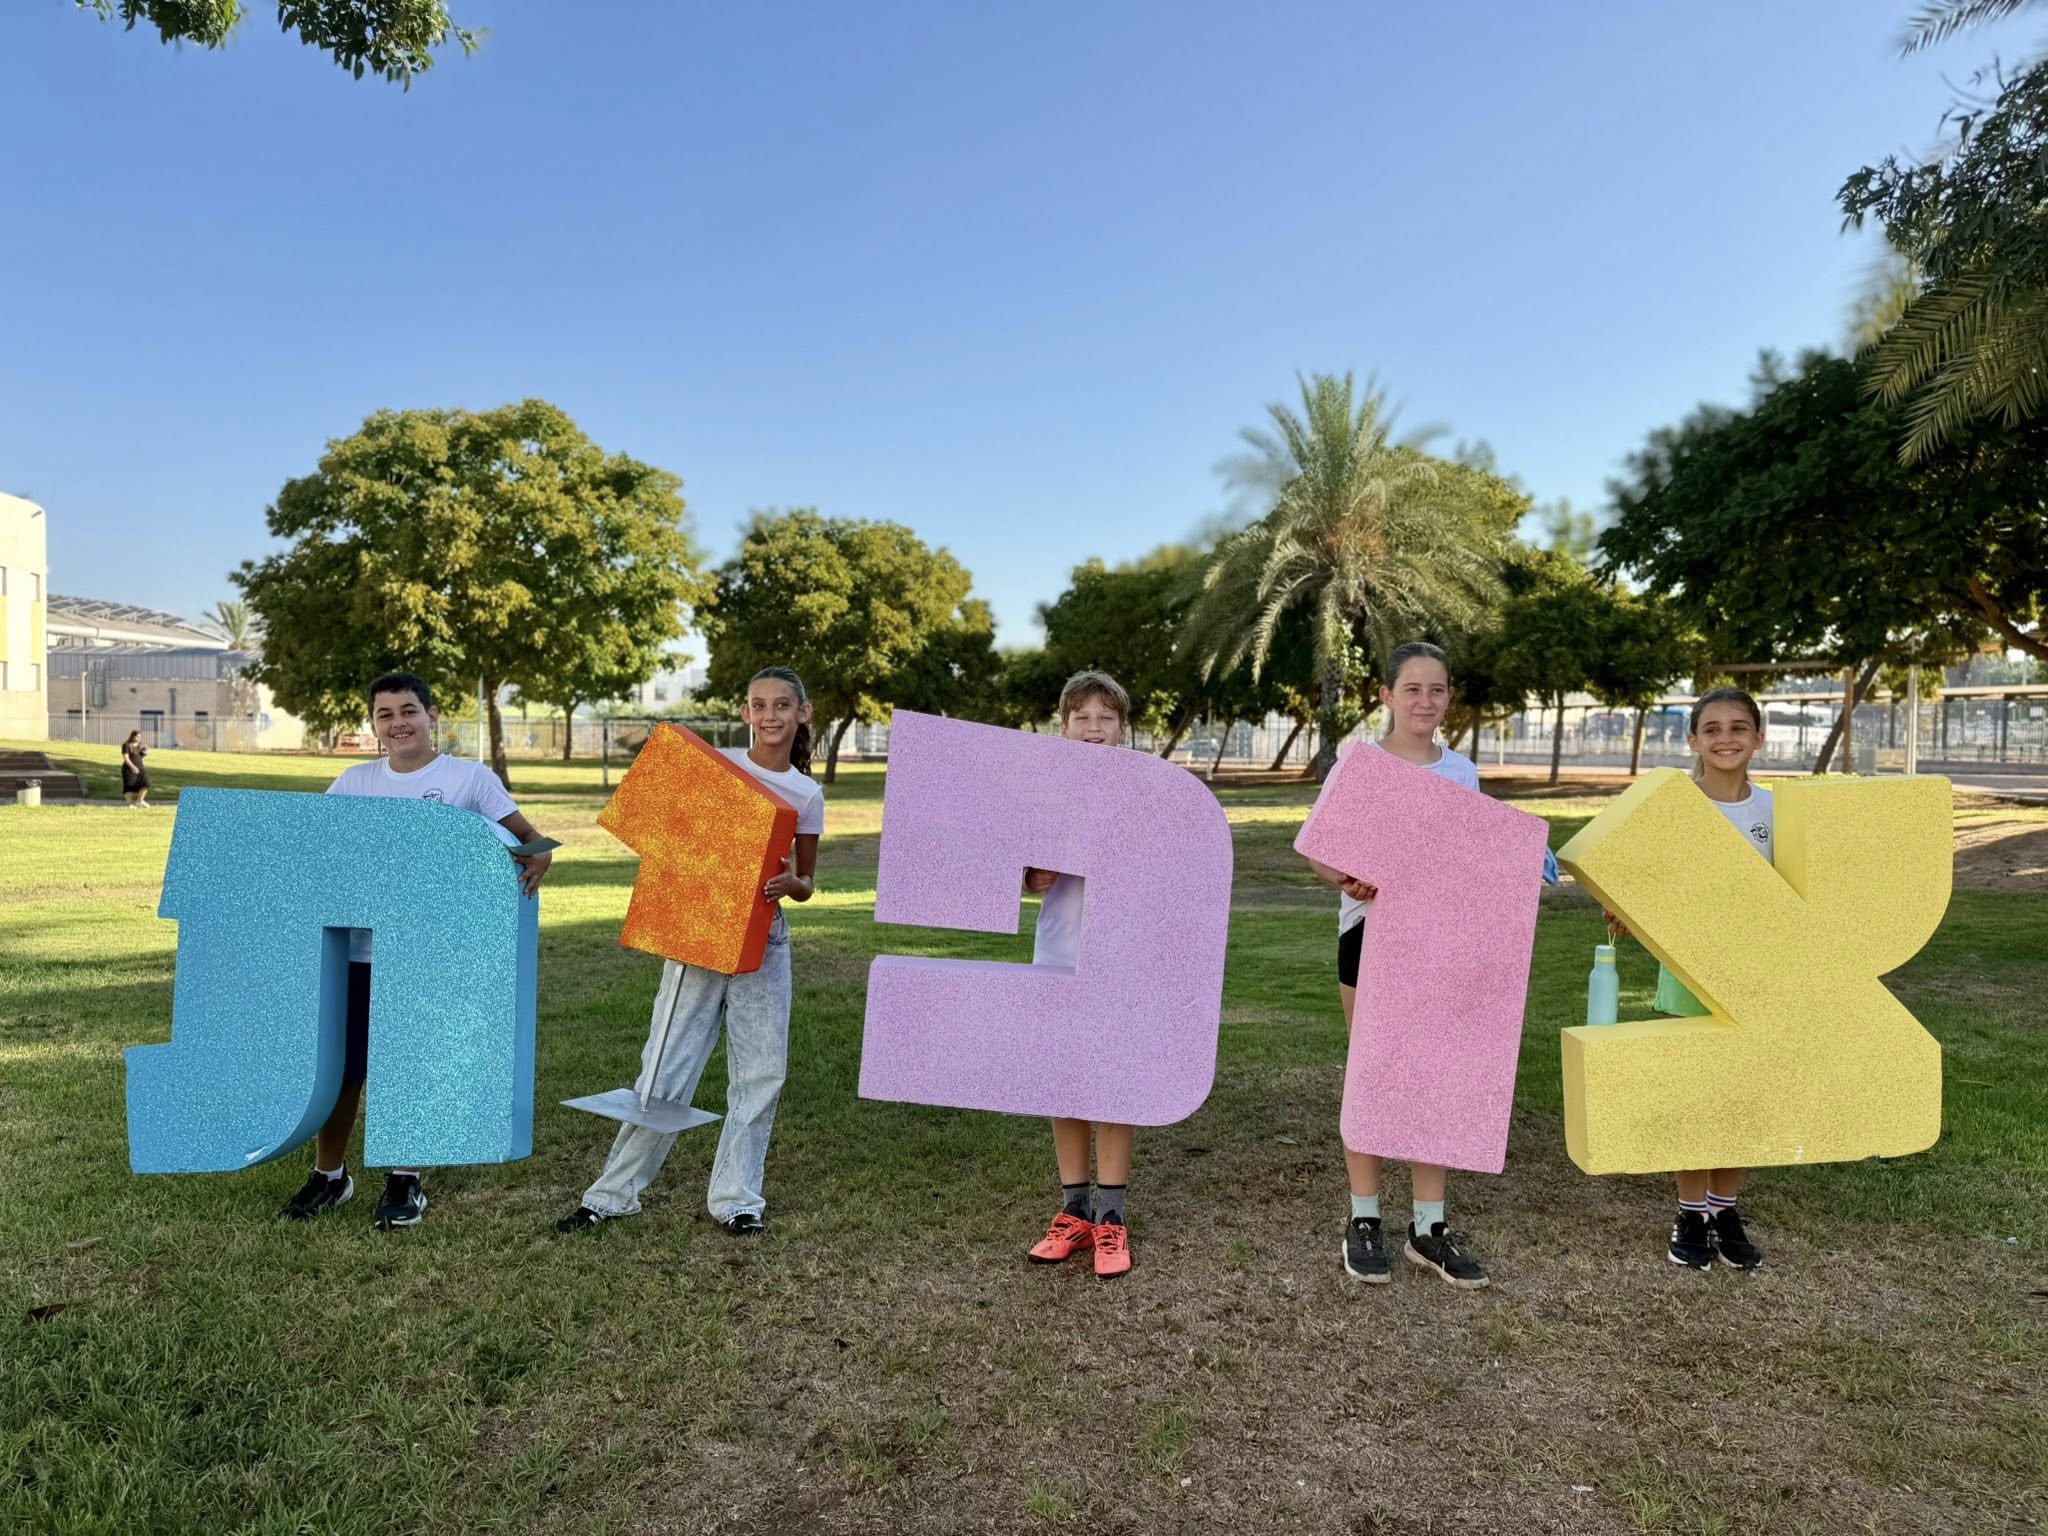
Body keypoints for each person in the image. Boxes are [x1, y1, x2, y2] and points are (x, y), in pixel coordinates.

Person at [279, 672, 554, 1229]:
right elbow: (313, 852)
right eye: (385, 714)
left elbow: (530, 841)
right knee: (342, 1070)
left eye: (409, 710)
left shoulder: (468, 779)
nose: (398, 723)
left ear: (432, 716)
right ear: (374, 725)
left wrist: (537, 859)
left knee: (410, 1064)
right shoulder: (354, 782)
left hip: (425, 958)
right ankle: (330, 1176)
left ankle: (405, 1180)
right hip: (356, 955)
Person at [557, 666, 824, 1237]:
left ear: (802, 714)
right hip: (696, 935)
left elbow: (806, 880)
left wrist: (791, 886)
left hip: (763, 941)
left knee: (762, 1072)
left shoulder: (807, 793)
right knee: (664, 1069)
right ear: (746, 712)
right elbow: (667, 838)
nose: (770, 715)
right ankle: (611, 1195)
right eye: (759, 705)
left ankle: (736, 1198)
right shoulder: (718, 769)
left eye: (782, 705)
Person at [1305, 640, 1493, 1290]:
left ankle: (1428, 1227)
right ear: (1386, 696)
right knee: (1374, 1073)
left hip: (1439, 943)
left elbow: (1473, 863)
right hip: (1368, 940)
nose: (1425, 701)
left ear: (1449, 698)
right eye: (1411, 688)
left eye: (1436, 690)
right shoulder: (1358, 763)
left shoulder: (1463, 772)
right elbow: (1319, 849)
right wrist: (1347, 874)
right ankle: (1363, 1218)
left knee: (1433, 1078)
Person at [1605, 687, 1769, 1272]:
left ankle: (1725, 1208)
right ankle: (1690, 1210)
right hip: (1688, 974)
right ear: (1693, 739)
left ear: (1758, 737)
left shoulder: (1776, 811)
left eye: (1739, 727)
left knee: (1742, 1097)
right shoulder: (1675, 807)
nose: (1726, 738)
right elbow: (1638, 875)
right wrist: (1623, 904)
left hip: (1759, 977)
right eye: (1713, 728)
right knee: (1696, 1092)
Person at [1023, 670, 1138, 1280]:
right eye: (1081, 718)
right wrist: (1027, 875)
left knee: (1113, 1080)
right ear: (1062, 728)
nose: (1093, 728)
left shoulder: (1144, 792)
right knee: (1064, 1080)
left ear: (1122, 729)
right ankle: (1074, 1211)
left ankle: (1113, 1219)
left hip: (1123, 956)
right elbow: (1012, 862)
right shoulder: (1045, 794)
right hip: (1061, 949)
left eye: (1106, 718)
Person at [121, 731, 150, 808]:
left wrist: (145, 753)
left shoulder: (139, 746)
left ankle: (140, 801)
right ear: (132, 736)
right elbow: (126, 758)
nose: (138, 738)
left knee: (146, 783)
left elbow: (139, 757)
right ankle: (129, 804)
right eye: (137, 736)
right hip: (129, 768)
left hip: (140, 768)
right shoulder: (126, 745)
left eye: (140, 737)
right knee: (129, 785)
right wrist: (132, 767)